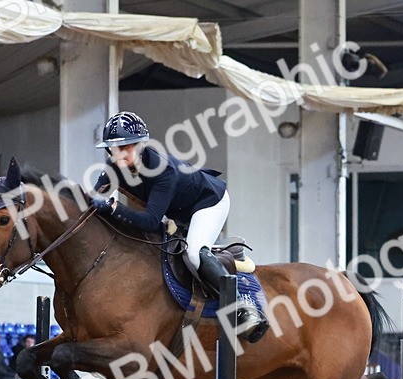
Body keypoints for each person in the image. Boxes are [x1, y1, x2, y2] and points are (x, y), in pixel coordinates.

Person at [88, 111, 268, 343]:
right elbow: (93, 202)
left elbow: (152, 221)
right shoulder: (112, 167)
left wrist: (114, 208)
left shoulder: (162, 169)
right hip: (179, 211)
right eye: (114, 148)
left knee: (194, 253)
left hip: (208, 202)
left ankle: (241, 308)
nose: (119, 154)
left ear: (140, 145)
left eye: (126, 148)